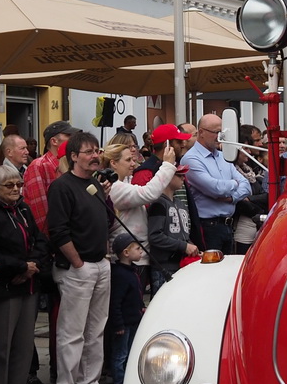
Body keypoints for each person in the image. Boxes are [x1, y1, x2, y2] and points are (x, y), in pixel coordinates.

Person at [47, 133, 118, 384]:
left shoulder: (94, 185)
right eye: (88, 152)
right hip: (79, 267)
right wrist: (77, 262)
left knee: (96, 329)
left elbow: (105, 221)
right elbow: (58, 230)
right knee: (72, 332)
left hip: (100, 263)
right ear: (74, 156)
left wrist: (106, 197)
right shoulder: (62, 187)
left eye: (96, 151)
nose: (95, 156)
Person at [0, 163, 44, 384]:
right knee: (1, 346)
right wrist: (20, 267)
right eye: (9, 185)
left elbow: (40, 240)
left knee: (23, 344)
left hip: (28, 284)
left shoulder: (23, 209)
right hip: (5, 286)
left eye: (19, 184)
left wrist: (33, 264)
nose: (16, 189)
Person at [104, 137, 177, 276]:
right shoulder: (115, 188)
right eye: (128, 160)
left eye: (133, 159)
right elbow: (149, 193)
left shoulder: (124, 183)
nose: (133, 164)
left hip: (136, 255)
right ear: (113, 163)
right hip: (128, 259)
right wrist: (167, 165)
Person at [182, 114, 250, 253]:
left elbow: (246, 185)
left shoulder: (223, 156)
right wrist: (234, 183)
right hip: (208, 227)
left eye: (222, 132)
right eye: (216, 132)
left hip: (228, 224)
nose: (220, 137)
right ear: (201, 132)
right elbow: (215, 188)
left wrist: (232, 198)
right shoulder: (191, 159)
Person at [146, 158, 199, 293]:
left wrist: (191, 247)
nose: (183, 178)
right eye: (179, 175)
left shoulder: (180, 204)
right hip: (163, 268)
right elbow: (155, 236)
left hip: (181, 265)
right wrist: (184, 246)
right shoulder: (158, 204)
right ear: (167, 176)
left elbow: (183, 235)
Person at [105, 231, 144, 384]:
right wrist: (118, 324)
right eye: (137, 248)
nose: (141, 251)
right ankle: (119, 381)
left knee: (130, 351)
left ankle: (128, 379)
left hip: (134, 319)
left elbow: (136, 293)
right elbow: (115, 301)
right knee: (120, 353)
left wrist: (141, 306)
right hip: (124, 323)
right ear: (126, 253)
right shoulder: (120, 274)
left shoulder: (132, 271)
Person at [21, 119, 74, 238]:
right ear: (54, 141)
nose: (73, 139)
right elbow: (40, 213)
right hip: (53, 240)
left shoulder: (71, 164)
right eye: (68, 135)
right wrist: (51, 241)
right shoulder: (39, 166)